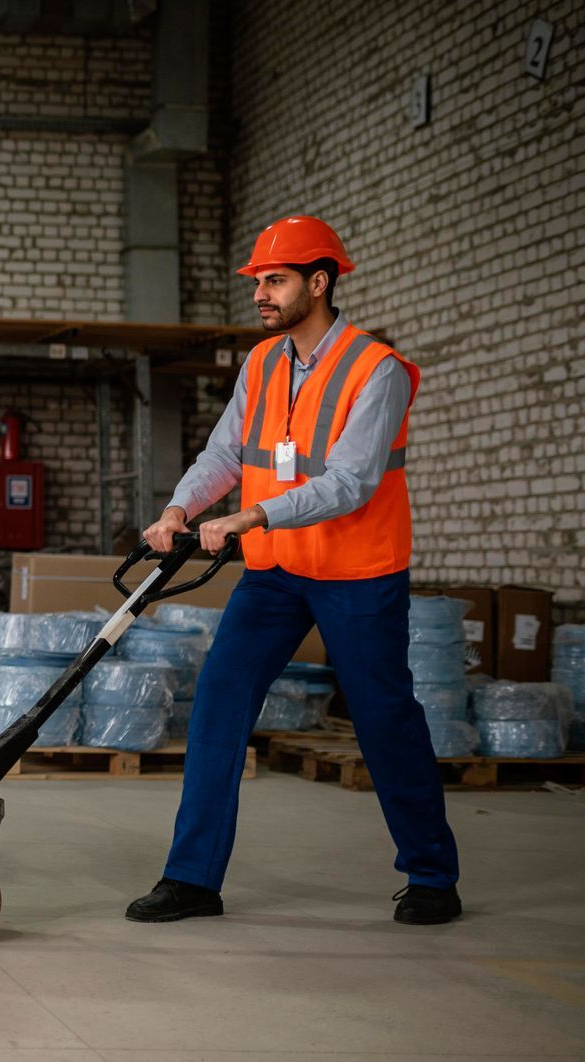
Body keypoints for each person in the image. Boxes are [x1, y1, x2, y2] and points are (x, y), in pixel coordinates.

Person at [126, 215, 460, 926]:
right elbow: (224, 453)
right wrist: (181, 508)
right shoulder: (263, 362)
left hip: (358, 572)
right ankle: (192, 877)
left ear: (320, 281)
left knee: (383, 717)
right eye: (258, 282)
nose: (260, 294)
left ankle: (432, 874)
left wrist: (253, 517)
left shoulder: (378, 371)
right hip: (278, 572)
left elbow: (351, 482)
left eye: (274, 280)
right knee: (219, 695)